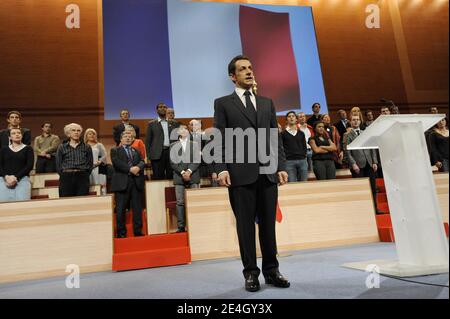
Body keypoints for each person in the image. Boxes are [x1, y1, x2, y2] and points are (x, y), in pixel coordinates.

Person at [214, 55, 290, 292]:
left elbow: (274, 138)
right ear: (232, 76)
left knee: (268, 225)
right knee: (245, 226)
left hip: (267, 174)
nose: (249, 71)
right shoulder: (223, 103)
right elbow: (219, 137)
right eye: (242, 69)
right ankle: (250, 273)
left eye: (250, 67)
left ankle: (272, 270)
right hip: (239, 174)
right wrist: (221, 168)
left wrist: (281, 166)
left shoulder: (267, 103)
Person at [111, 131, 146, 238]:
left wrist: (138, 167)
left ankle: (138, 231)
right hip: (122, 182)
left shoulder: (136, 150)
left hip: (136, 182)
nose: (128, 138)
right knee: (121, 209)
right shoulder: (115, 150)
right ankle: (121, 233)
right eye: (125, 136)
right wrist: (130, 169)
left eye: (130, 137)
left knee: (137, 208)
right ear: (121, 139)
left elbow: (142, 161)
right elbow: (116, 163)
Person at [170, 124, 201, 232]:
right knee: (180, 202)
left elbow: (197, 159)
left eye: (185, 129)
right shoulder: (173, 145)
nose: (184, 131)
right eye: (181, 129)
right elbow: (173, 162)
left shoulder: (195, 144)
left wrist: (189, 171)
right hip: (179, 177)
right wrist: (183, 172)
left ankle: (196, 225)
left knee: (195, 201)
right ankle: (181, 227)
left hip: (193, 176)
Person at [344, 115, 379, 210]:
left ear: (360, 121)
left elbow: (371, 147)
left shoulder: (365, 133)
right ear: (350, 122)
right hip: (357, 165)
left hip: (369, 163)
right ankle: (364, 209)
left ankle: (375, 208)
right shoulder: (347, 135)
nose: (356, 121)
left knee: (373, 187)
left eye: (357, 120)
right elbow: (347, 151)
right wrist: (353, 164)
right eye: (354, 120)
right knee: (361, 189)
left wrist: (374, 161)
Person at [55, 123, 93, 197]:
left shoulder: (87, 147)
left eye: (78, 131)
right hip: (66, 177)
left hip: (82, 176)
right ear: (68, 133)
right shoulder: (62, 147)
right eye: (73, 130)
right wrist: (63, 174)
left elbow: (90, 164)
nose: (76, 132)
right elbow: (58, 164)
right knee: (66, 201)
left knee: (82, 200)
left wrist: (85, 174)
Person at [145, 103, 179, 180]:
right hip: (157, 155)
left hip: (171, 153)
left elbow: (178, 139)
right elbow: (148, 141)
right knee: (158, 177)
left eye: (164, 107)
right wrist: (148, 157)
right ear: (157, 110)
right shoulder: (151, 124)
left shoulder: (174, 123)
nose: (163, 108)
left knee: (171, 176)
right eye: (160, 107)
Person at [0, 128, 34, 202]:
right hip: (4, 180)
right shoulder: (3, 149)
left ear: (21, 135)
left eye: (19, 133)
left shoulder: (28, 148)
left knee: (22, 206)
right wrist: (6, 177)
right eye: (14, 133)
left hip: (22, 180)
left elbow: (29, 166)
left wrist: (16, 178)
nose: (17, 134)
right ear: (10, 137)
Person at [281, 111, 308, 182]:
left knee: (304, 183)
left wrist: (303, 156)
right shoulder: (282, 134)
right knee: (291, 184)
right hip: (289, 162)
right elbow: (281, 148)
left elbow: (304, 147)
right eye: (289, 116)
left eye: (293, 116)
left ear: (296, 119)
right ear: (286, 120)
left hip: (302, 161)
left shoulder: (301, 133)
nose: (291, 118)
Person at [84, 128, 107, 195]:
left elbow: (104, 156)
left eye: (93, 134)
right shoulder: (83, 146)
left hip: (98, 168)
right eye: (90, 134)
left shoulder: (99, 145)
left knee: (100, 185)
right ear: (86, 136)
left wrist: (99, 162)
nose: (92, 135)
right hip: (87, 168)